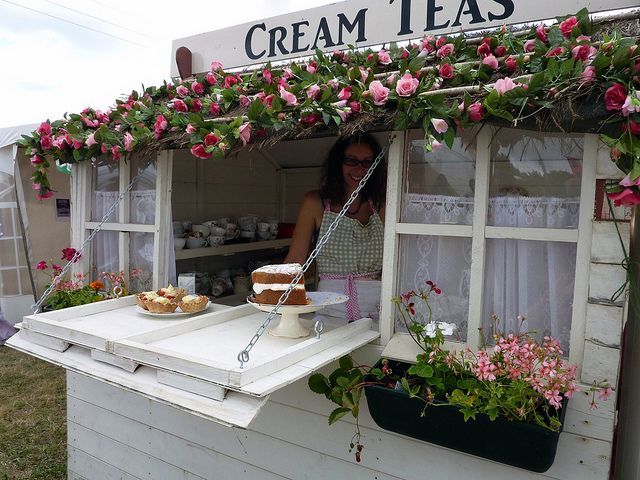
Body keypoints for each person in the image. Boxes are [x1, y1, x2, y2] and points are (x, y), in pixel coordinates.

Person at [284, 133, 386, 322]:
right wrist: (282, 305)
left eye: (367, 162)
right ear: (338, 163)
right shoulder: (315, 203)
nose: (359, 169)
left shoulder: (382, 206)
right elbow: (296, 259)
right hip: (330, 309)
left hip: (376, 311)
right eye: (351, 161)